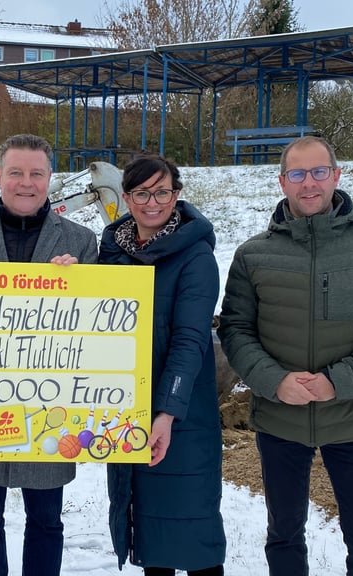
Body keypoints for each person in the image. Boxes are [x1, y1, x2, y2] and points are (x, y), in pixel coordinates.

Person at [217, 135, 353, 576]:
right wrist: (273, 381)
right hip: (280, 420)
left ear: (336, 175)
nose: (307, 184)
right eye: (297, 174)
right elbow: (235, 329)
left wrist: (338, 381)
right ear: (281, 181)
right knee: (284, 537)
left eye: (317, 172)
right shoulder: (254, 255)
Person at [0, 133, 98, 576]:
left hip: (50, 407)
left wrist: (78, 288)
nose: (25, 183)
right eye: (16, 173)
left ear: (49, 178)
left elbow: (94, 335)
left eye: (35, 173)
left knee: (47, 523)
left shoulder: (81, 242)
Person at [99, 154, 226, 575]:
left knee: (194, 533)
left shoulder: (195, 258)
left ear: (177, 194)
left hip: (181, 417)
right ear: (126, 197)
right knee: (151, 539)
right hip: (128, 410)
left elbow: (190, 342)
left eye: (162, 192)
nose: (152, 203)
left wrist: (167, 412)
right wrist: (68, 276)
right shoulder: (112, 252)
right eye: (141, 193)